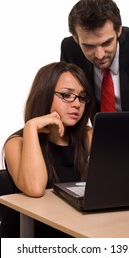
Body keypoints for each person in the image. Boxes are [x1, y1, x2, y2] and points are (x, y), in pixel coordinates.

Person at [3, 61, 93, 237]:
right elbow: (35, 189)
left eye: (82, 97)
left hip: (74, 231)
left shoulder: (88, 136)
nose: (77, 104)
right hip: (29, 236)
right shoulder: (16, 143)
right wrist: (31, 127)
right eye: (67, 95)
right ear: (44, 95)